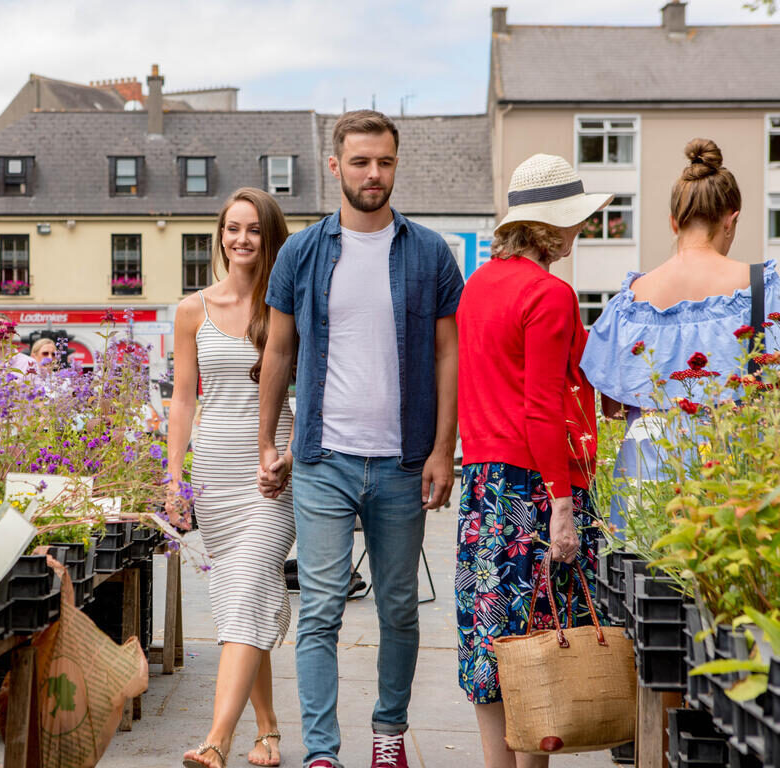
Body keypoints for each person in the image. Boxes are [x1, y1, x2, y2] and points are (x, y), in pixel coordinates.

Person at [257, 110, 464, 768]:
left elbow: (448, 355)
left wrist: (441, 450)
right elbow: (280, 350)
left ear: (395, 165)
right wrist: (270, 440)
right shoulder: (301, 253)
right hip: (323, 461)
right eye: (360, 162)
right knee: (319, 611)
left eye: (384, 162)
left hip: (404, 463)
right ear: (335, 166)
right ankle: (322, 752)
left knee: (400, 608)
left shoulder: (429, 252)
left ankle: (389, 735)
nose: (373, 174)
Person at [455, 153, 610, 768]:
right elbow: (543, 405)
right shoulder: (550, 294)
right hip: (535, 487)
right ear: (551, 228)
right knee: (540, 638)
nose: (581, 232)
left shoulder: (477, 288)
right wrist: (564, 506)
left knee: (490, 641)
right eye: (575, 223)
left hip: (482, 486)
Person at [581, 138, 779, 530]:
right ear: (730, 219)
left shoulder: (629, 302)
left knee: (641, 585)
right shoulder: (763, 287)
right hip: (731, 476)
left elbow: (612, 408)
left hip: (644, 479)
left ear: (674, 221)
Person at [170, 188, 294, 768]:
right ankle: (268, 731)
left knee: (246, 586)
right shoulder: (191, 310)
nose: (240, 239)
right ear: (220, 235)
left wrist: (292, 453)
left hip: (273, 470)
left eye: (253, 230)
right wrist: (176, 476)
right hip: (215, 472)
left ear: (270, 237)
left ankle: (215, 739)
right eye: (231, 228)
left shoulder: (287, 306)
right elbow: (182, 400)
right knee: (244, 599)